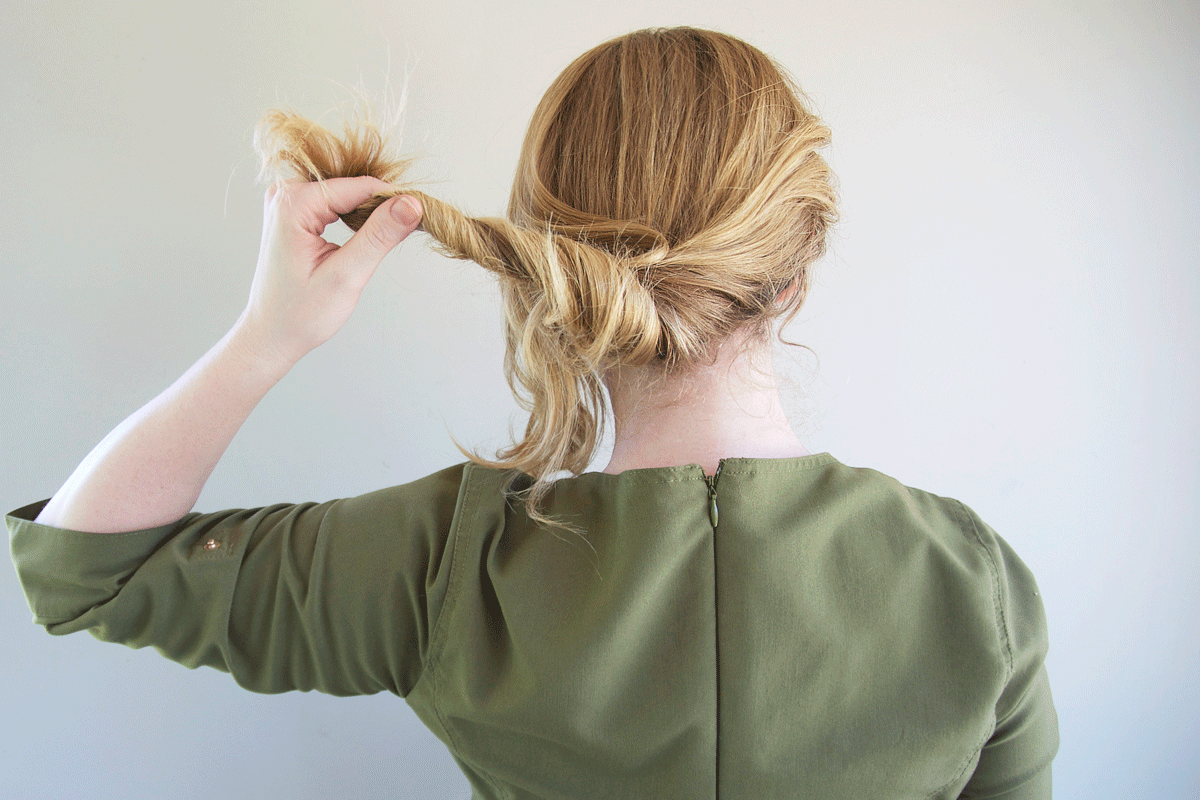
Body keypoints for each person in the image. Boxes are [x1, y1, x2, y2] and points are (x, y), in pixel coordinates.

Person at [7, 26, 1057, 799]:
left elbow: (87, 567)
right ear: (794, 272)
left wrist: (268, 333)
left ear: (552, 278)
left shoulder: (448, 565)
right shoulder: (976, 585)